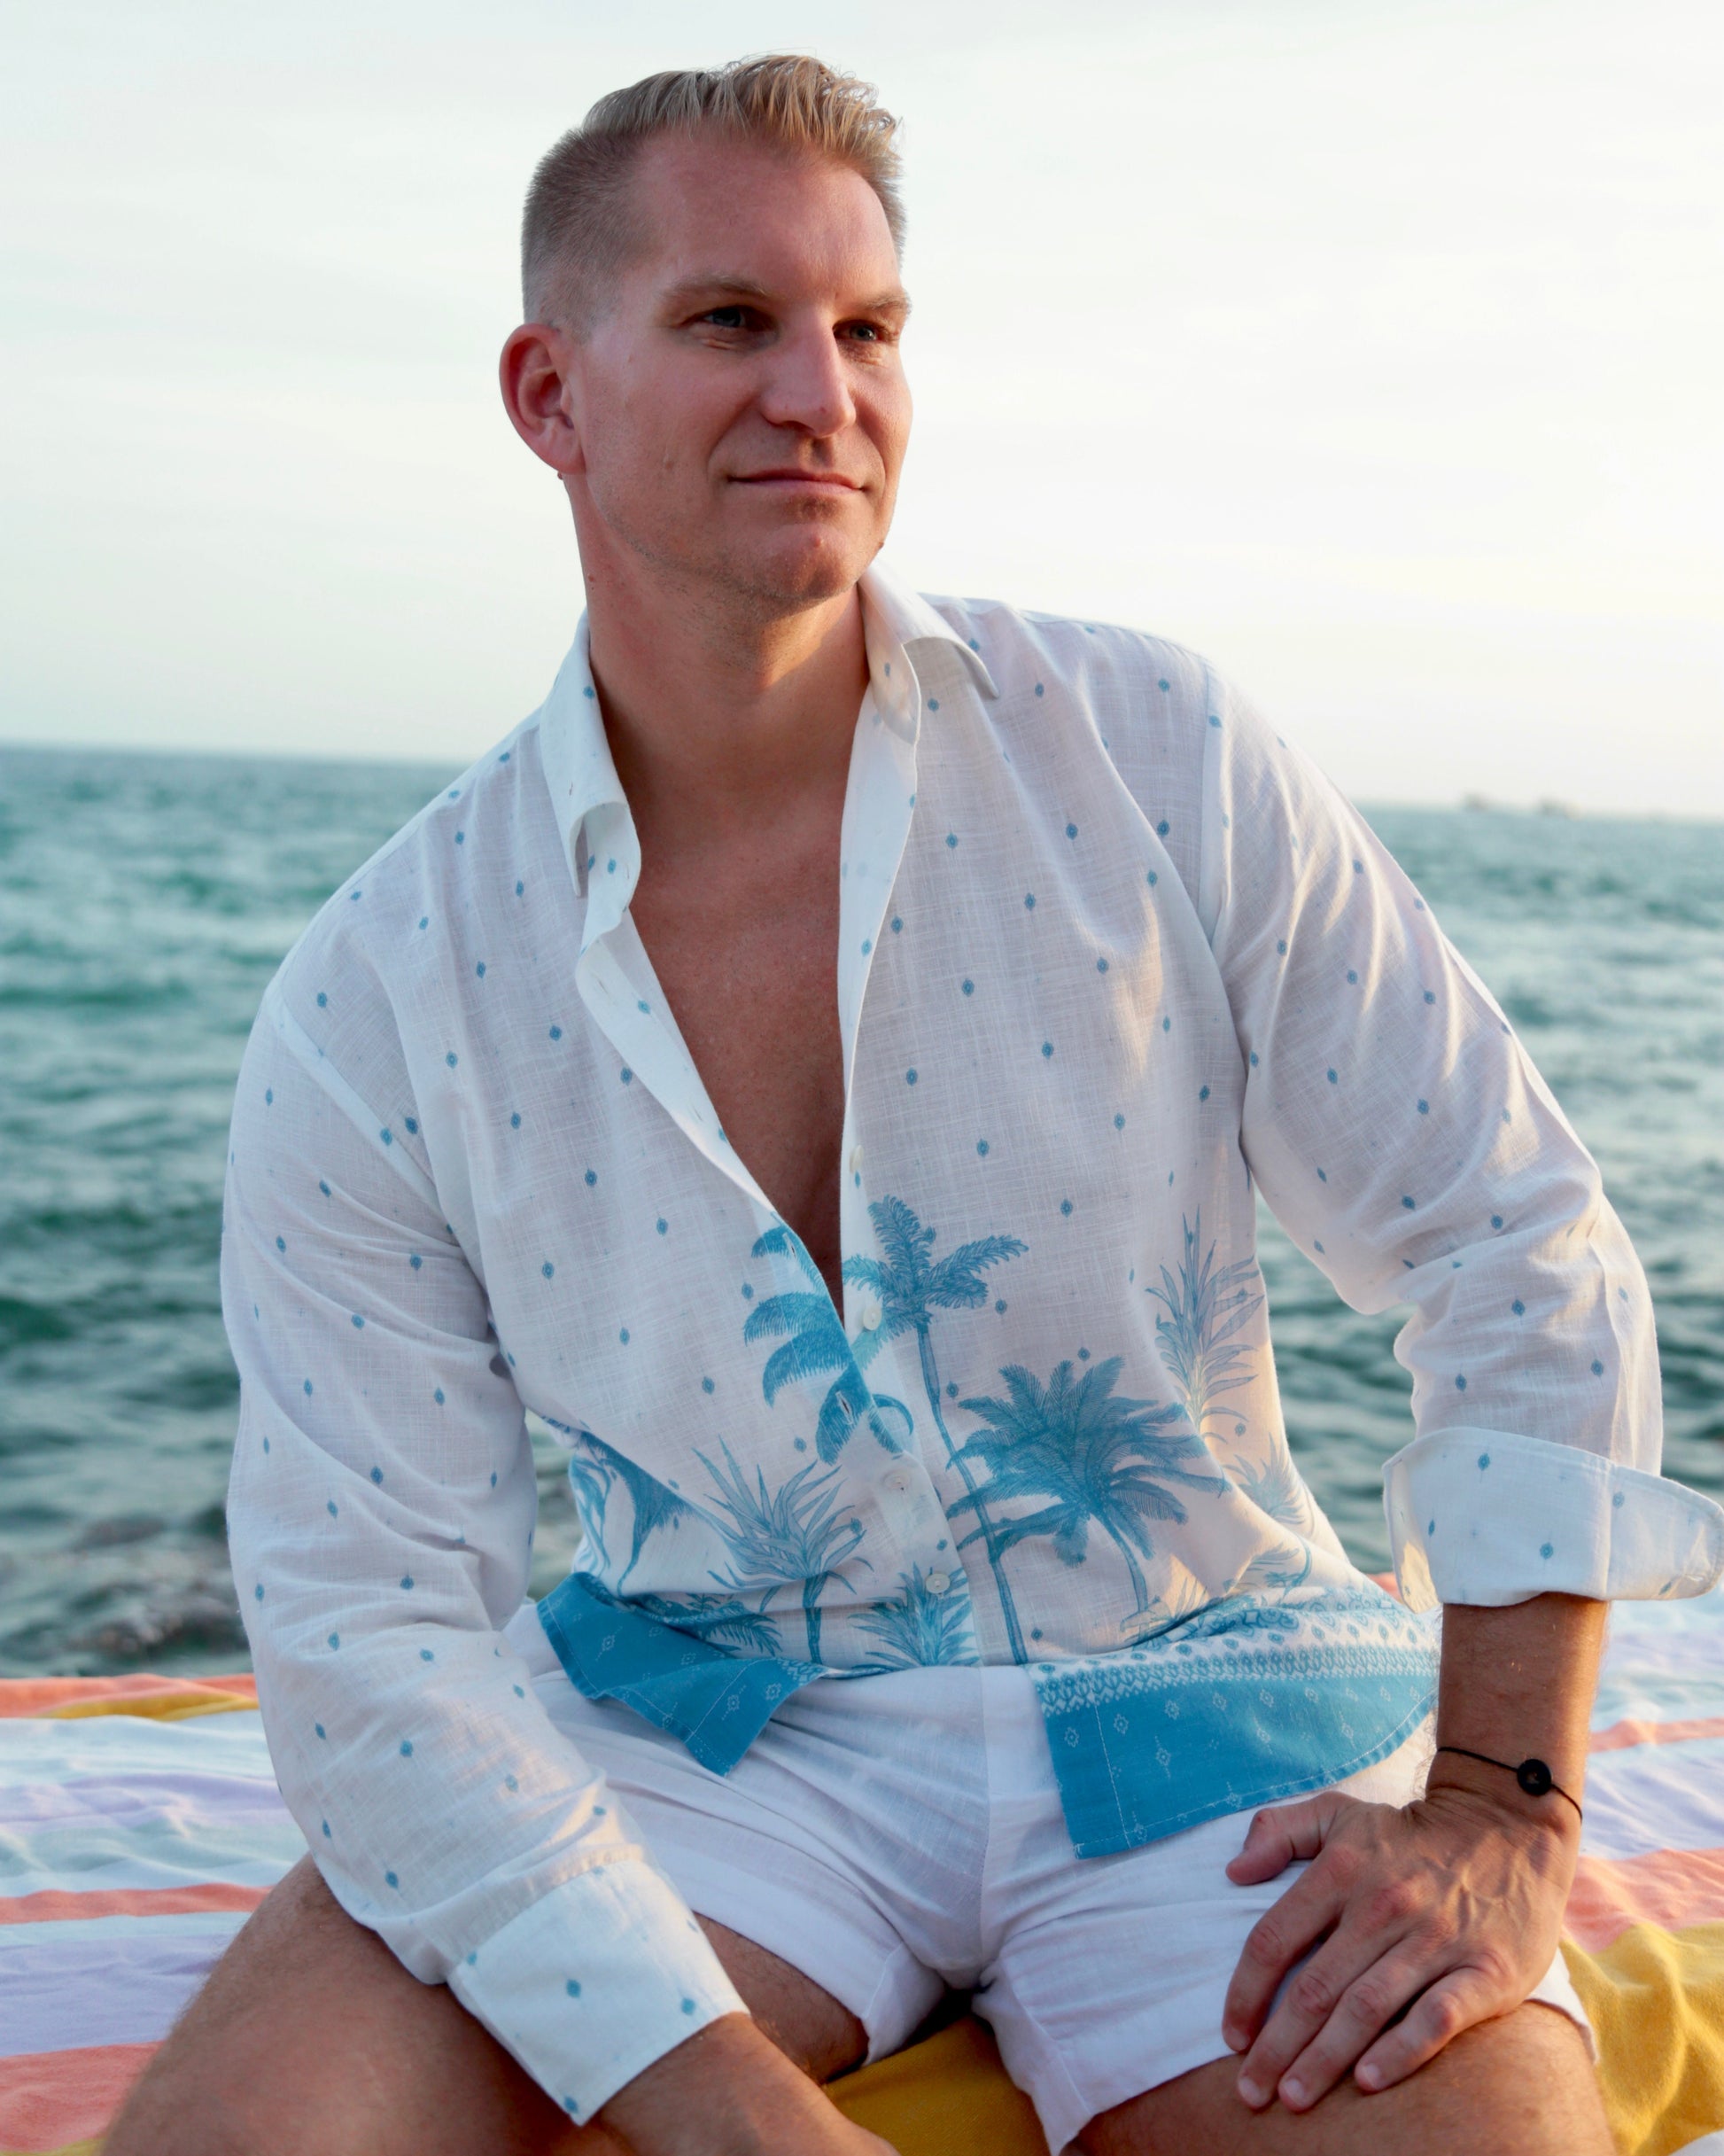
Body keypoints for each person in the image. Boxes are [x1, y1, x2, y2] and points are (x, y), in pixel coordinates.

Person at [110, 54, 1721, 2156]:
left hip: (1206, 1702)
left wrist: (1504, 1805)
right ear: (547, 394)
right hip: (708, 1730)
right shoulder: (384, 984)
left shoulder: (1153, 748)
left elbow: (1509, 1235)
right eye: (731, 320)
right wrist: (730, 2113)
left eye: (868, 328)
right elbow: (371, 1625)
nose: (821, 393)